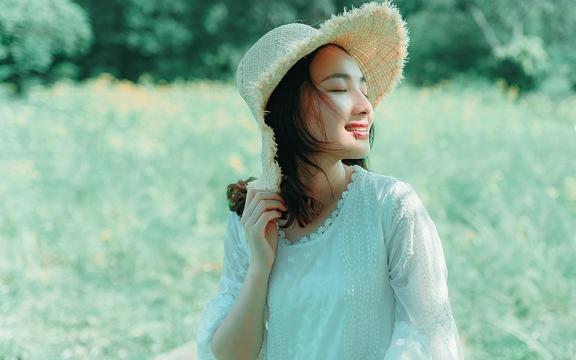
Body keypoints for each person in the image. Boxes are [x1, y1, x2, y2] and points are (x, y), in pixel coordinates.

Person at [195, 2, 465, 359]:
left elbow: (428, 338)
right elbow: (229, 355)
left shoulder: (392, 206)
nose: (365, 107)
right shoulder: (253, 216)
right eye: (339, 89)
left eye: (363, 90)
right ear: (288, 106)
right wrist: (260, 266)